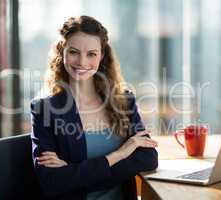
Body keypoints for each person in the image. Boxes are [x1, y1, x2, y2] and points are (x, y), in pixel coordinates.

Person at [30, 15, 158, 200]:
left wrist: (73, 174)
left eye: (91, 54)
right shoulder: (44, 109)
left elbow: (148, 158)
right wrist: (120, 154)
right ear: (62, 51)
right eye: (74, 52)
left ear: (102, 55)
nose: (82, 62)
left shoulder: (123, 100)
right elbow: (52, 182)